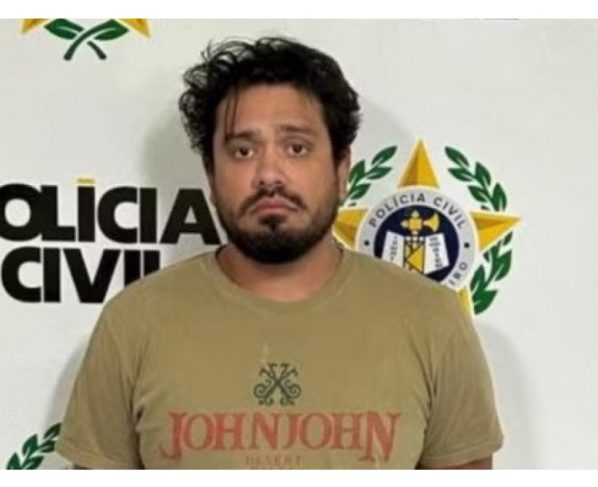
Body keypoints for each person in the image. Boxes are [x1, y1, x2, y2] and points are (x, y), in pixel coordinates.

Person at [56, 36, 503, 469]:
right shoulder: (134, 323)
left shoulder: (431, 320)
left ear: (341, 170)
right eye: (242, 150)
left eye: (296, 148)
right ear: (211, 176)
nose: (269, 173)